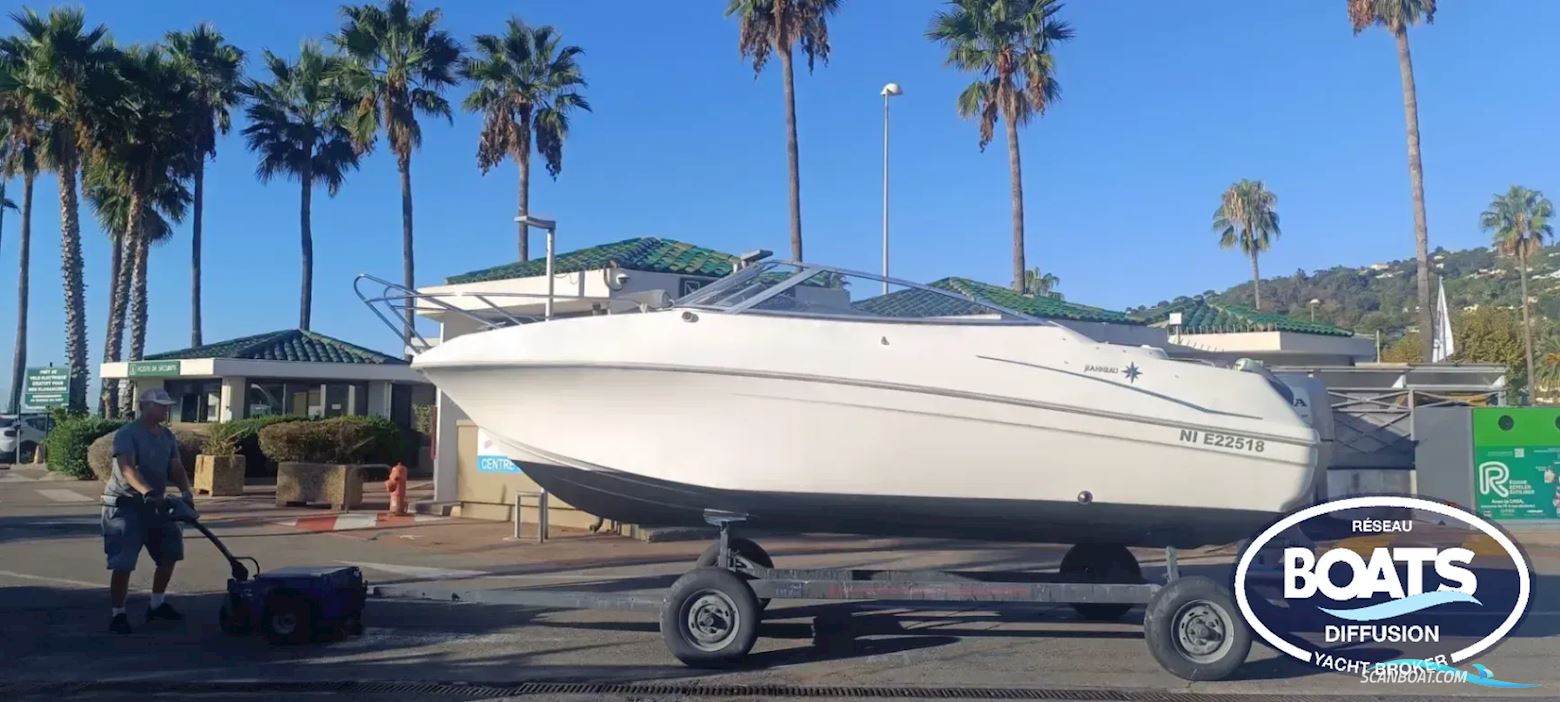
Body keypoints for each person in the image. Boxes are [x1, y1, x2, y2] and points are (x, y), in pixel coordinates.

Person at [101, 388, 197, 634]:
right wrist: (148, 492)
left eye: (167, 405)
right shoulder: (128, 434)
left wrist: (186, 492)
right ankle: (118, 614)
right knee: (124, 563)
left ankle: (156, 605)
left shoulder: (166, 435)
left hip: (157, 505)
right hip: (126, 505)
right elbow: (127, 469)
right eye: (160, 405)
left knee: (170, 552)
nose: (166, 409)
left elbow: (175, 466)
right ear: (145, 406)